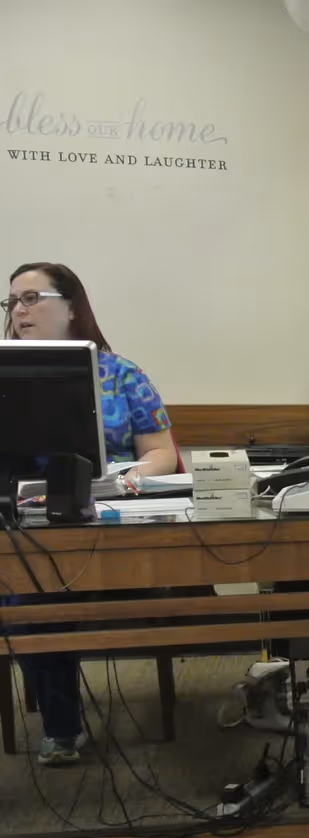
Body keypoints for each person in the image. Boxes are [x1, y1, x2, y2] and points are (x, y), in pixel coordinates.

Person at [4, 262, 181, 765]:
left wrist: (130, 478)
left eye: (32, 297)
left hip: (110, 531)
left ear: (72, 306)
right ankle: (64, 727)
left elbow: (161, 454)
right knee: (27, 592)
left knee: (33, 592)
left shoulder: (122, 374)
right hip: (28, 529)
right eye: (13, 300)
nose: (20, 310)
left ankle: (60, 728)